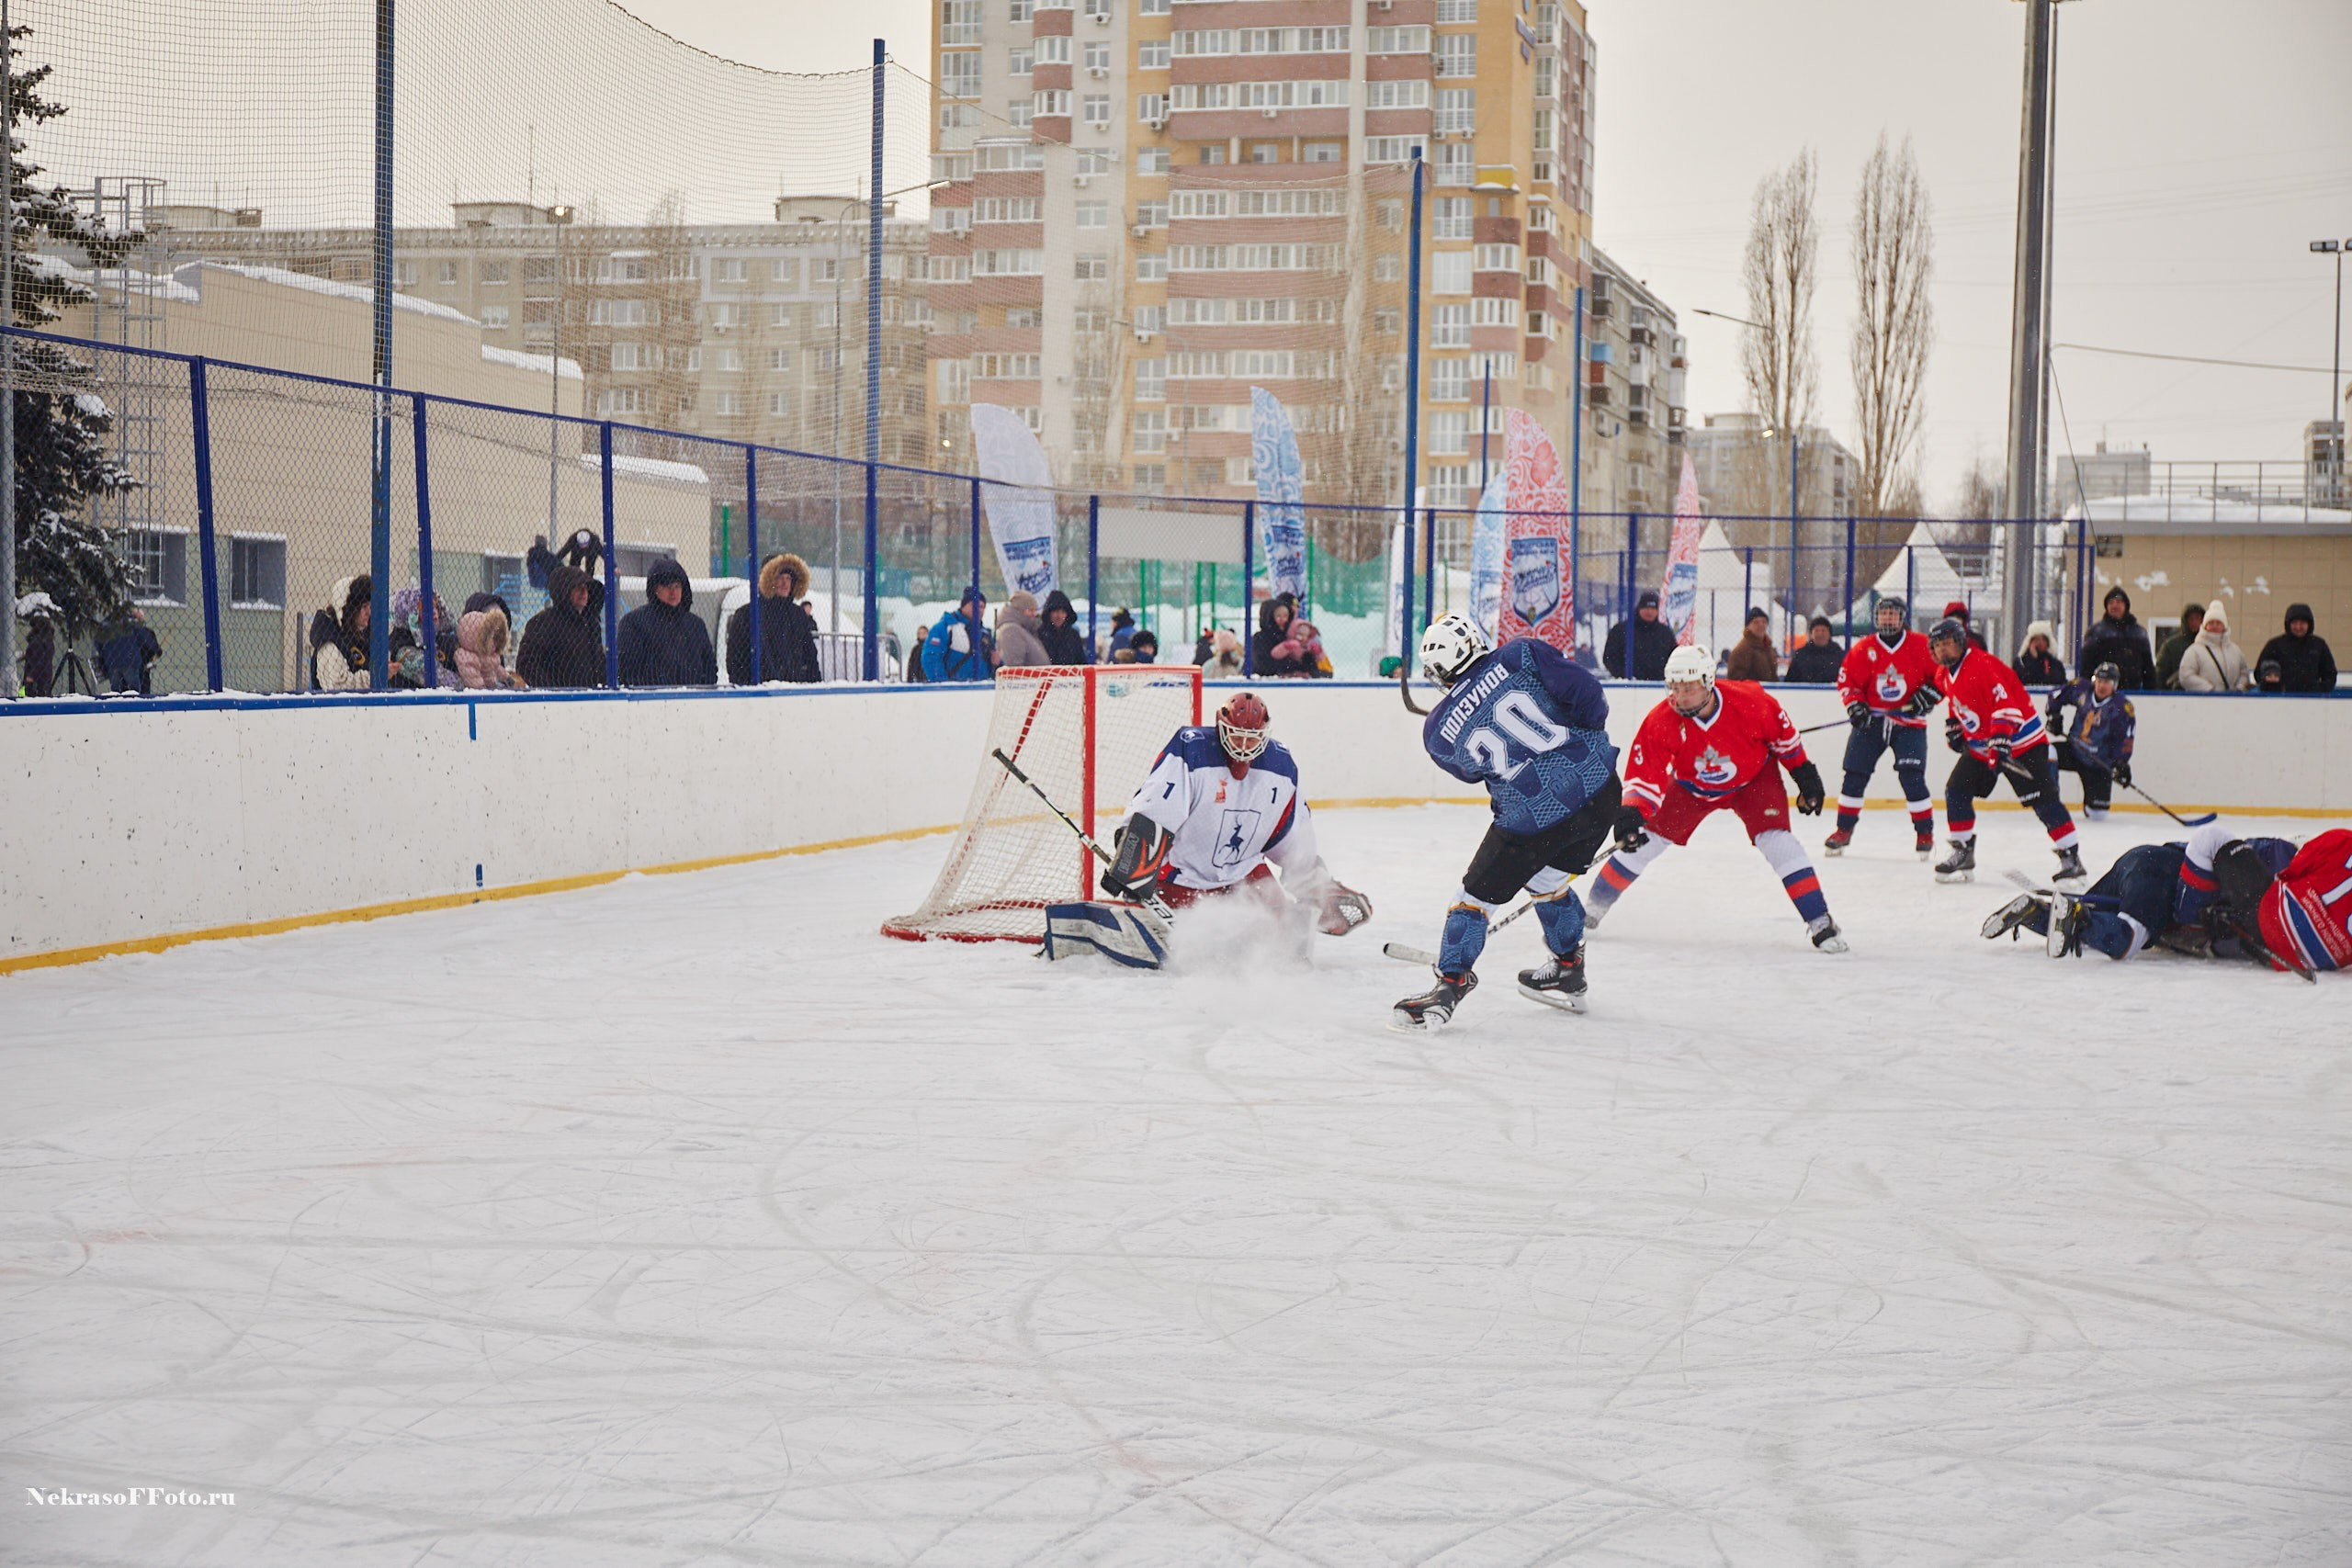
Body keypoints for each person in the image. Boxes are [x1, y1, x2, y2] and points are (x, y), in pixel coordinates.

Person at [1389, 613, 1623, 1030]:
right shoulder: (1521, 654)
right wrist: (1581, 753)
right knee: (1547, 881)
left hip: (1534, 818)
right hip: (1600, 791)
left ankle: (1450, 983)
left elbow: (1469, 771)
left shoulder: (1437, 731)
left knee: (1473, 900)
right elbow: (1589, 696)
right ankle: (1569, 968)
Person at [1073, 691, 1371, 966]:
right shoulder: (1192, 750)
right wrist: (1132, 863)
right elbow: (1157, 808)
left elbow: (1294, 839)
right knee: (1183, 952)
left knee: (1287, 946)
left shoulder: (1281, 767)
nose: (1243, 746)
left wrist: (1316, 889)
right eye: (1237, 736)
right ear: (1220, 726)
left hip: (1242, 873)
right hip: (1182, 876)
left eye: (1252, 738)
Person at [1579, 645, 1844, 953]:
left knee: (1778, 841)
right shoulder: (1661, 720)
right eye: (1674, 687)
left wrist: (1805, 776)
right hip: (1692, 787)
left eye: (1689, 687)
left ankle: (1820, 921)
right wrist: (1632, 814)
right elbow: (1645, 775)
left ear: (1708, 682)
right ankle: (1590, 913)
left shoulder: (1752, 702)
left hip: (1753, 780)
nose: (1680, 696)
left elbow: (1785, 741)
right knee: (1643, 841)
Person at [1982, 819, 2350, 974]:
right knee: (2123, 941)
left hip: (2140, 863)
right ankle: (2068, 915)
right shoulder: (2274, 859)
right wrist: (2196, 918)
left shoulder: (2270, 868)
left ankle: (2034, 913)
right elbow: (2210, 847)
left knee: (2089, 926)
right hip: (2159, 868)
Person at [1927, 615, 2086, 886]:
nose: (1943, 650)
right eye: (1938, 645)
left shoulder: (1982, 665)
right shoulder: (1944, 674)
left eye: (1949, 644)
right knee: (1956, 790)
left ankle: (2071, 858)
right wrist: (1955, 726)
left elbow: (2006, 704)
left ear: (1961, 643)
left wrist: (2000, 741)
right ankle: (1962, 850)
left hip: (2022, 742)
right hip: (1984, 745)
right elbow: (1959, 703)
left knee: (2043, 799)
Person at [1825, 594, 1942, 859]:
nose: (1887, 618)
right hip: (1872, 721)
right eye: (1883, 614)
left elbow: (1942, 675)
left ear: (1903, 618)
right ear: (1876, 618)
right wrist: (1855, 706)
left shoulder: (1922, 645)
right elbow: (1847, 682)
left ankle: (1925, 833)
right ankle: (1843, 830)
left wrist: (1931, 693)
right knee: (1854, 775)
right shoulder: (1863, 648)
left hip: (1909, 723)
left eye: (1893, 614)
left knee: (1911, 777)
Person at [2047, 661, 2136, 817]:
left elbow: (2126, 738)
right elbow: (2055, 695)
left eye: (2107, 682)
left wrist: (2121, 762)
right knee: (2048, 751)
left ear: (2114, 685)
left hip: (2099, 763)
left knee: (2098, 815)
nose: (2102, 686)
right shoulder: (2082, 689)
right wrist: (2054, 715)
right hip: (2074, 751)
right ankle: (2050, 800)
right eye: (2099, 681)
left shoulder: (2122, 708)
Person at [617, 558, 717, 687]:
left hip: (692, 700)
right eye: (667, 586)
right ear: (655, 589)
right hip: (648, 701)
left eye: (677, 586)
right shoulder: (634, 623)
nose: (673, 592)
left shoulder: (696, 625)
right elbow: (627, 669)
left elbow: (709, 669)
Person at [727, 553, 821, 685]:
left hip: (795, 692)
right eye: (779, 577)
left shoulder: (798, 615)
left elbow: (810, 657)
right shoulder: (748, 614)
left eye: (788, 578)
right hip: (760, 692)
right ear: (769, 580)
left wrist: (813, 687)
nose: (785, 583)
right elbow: (735, 661)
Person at [515, 561, 607, 689]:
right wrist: (551, 690)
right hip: (554, 701)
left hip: (588, 698)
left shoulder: (591, 624)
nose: (583, 592)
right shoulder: (543, 622)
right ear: (564, 591)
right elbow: (526, 664)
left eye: (586, 587)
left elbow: (599, 664)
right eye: (577, 587)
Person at [2077, 587, 2157, 691]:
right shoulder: (2096, 632)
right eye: (2111, 603)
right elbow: (2086, 667)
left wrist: (2151, 692)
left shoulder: (2139, 633)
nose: (2115, 606)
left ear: (2126, 605)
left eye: (2119, 602)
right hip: (2104, 692)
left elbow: (2148, 668)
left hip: (2133, 691)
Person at [310, 575, 374, 691]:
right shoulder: (329, 643)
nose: (369, 612)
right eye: (364, 606)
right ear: (348, 609)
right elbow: (339, 686)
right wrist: (374, 677)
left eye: (370, 606)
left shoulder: (358, 637)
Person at [2256, 604, 2336, 694]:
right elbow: (2259, 673)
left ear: (2309, 624)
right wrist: (2271, 687)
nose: (2298, 627)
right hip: (2279, 701)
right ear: (2288, 624)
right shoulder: (2274, 645)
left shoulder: (2319, 645)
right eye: (2294, 623)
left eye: (2302, 623)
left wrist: (2319, 691)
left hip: (2312, 701)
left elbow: (2330, 674)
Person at [2175, 599, 2252, 693]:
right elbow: (2186, 676)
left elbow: (2244, 673)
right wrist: (2209, 689)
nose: (2215, 626)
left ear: (2225, 626)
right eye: (2211, 623)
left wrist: (2239, 688)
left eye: (2218, 623)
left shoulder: (2235, 651)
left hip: (2232, 703)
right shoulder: (2194, 651)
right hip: (2202, 702)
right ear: (2204, 626)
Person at [921, 585, 995, 682]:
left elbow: (994, 666)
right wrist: (944, 685)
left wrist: (996, 663)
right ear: (963, 606)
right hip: (955, 691)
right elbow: (931, 658)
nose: (979, 610)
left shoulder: (985, 633)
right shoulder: (946, 627)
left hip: (980, 690)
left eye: (982, 607)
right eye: (974, 605)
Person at [1602, 589, 1679, 681]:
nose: (1649, 612)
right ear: (1639, 608)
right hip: (1629, 684)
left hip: (1659, 685)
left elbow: (1675, 658)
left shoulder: (1665, 633)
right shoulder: (1622, 630)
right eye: (1646, 608)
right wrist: (1624, 676)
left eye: (1653, 609)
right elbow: (1609, 658)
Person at [455, 600, 525, 689]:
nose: (494, 642)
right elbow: (471, 676)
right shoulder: (467, 656)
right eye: (489, 637)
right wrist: (482, 688)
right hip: (477, 690)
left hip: (492, 686)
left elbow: (497, 668)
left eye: (495, 638)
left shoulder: (491, 654)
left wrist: (506, 677)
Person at [96, 605, 164, 694]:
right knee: (134, 691)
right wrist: (157, 649)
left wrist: (104, 655)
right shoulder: (132, 624)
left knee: (116, 691)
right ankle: (136, 705)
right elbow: (146, 639)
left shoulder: (105, 625)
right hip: (130, 662)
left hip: (112, 662)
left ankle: (117, 706)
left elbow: (98, 642)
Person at [1251, 593, 1313, 677]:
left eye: (1286, 616)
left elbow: (1306, 664)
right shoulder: (1260, 639)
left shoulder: (1289, 636)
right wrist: (1291, 668)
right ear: (1269, 617)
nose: (1283, 620)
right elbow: (1265, 666)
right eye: (1278, 616)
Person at [993, 591, 1051, 671]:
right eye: (1030, 610)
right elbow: (1014, 669)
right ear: (1018, 611)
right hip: (1029, 682)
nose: (1034, 614)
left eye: (1035, 610)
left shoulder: (1025, 630)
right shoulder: (1011, 631)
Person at [2154, 603, 2203, 689]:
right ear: (2185, 621)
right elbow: (2160, 675)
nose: (2194, 622)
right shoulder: (2171, 646)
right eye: (2191, 619)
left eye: (2197, 619)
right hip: (2176, 695)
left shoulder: (2209, 645)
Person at [1724, 606, 1779, 681]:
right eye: (1756, 622)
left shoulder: (1768, 648)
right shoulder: (1742, 650)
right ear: (1748, 627)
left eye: (1764, 621)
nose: (1761, 625)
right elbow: (1736, 679)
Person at [1784, 616, 1844, 683]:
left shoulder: (1838, 654)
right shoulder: (1801, 655)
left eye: (1823, 630)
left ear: (1829, 634)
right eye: (1816, 630)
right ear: (1811, 634)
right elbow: (1790, 681)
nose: (1820, 634)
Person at [1038, 589, 1089, 666]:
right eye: (1056, 611)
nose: (1059, 616)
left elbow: (1082, 662)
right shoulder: (1040, 634)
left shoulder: (1073, 635)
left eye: (1063, 612)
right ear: (1049, 613)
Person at [2012, 620, 2066, 687]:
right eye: (2037, 639)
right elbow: (2026, 680)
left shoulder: (2055, 664)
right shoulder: (2020, 662)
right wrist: (2034, 660)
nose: (2041, 643)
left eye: (2044, 639)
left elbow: (2058, 682)